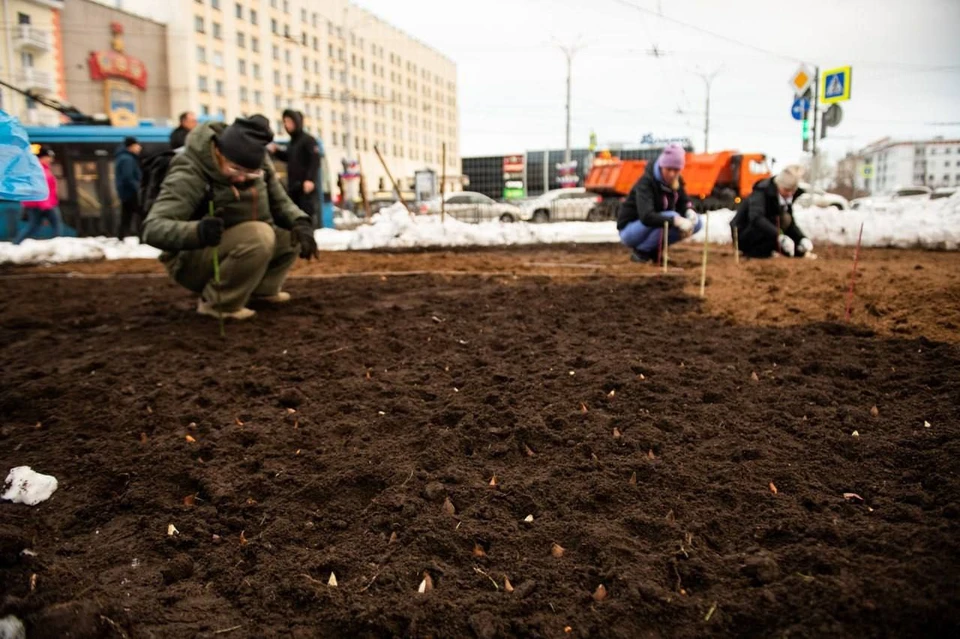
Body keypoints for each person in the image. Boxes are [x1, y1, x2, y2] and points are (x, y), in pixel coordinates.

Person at [141, 115, 319, 321]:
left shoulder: (261, 165)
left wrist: (301, 222)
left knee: (292, 233)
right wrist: (197, 231)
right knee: (259, 235)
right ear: (218, 152)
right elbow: (152, 228)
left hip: (239, 244)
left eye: (250, 174)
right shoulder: (190, 171)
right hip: (192, 258)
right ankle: (219, 303)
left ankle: (261, 292)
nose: (241, 178)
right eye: (235, 169)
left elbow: (281, 202)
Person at [617, 143, 702, 263]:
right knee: (671, 216)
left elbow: (684, 201)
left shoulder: (677, 181)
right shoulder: (646, 183)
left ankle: (654, 251)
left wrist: (689, 210)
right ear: (662, 166)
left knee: (697, 223)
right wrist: (676, 221)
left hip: (657, 224)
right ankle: (642, 252)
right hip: (630, 231)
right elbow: (647, 217)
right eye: (668, 169)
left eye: (676, 170)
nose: (672, 174)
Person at [731, 165, 816, 259]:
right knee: (772, 223)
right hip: (745, 235)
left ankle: (796, 251)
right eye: (786, 190)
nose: (789, 194)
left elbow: (790, 222)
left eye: (792, 191)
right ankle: (758, 252)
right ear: (779, 185)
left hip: (769, 234)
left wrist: (801, 238)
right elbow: (756, 218)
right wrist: (779, 236)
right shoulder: (761, 192)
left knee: (785, 219)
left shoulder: (785, 198)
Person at [270, 109, 320, 227]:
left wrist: (310, 180)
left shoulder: (308, 140)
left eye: (289, 122)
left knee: (306, 219)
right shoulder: (292, 143)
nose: (286, 125)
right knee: (295, 219)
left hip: (305, 189)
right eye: (284, 122)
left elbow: (315, 160)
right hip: (293, 188)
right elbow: (289, 158)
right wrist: (276, 151)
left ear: (297, 122)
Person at [14, 147, 63, 245]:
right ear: (42, 157)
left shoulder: (38, 169)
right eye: (49, 157)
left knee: (33, 226)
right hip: (44, 203)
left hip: (39, 203)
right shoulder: (39, 170)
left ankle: (16, 244)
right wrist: (45, 206)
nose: (51, 160)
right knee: (56, 225)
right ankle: (57, 247)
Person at [115, 136, 143, 239]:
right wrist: (138, 189)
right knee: (141, 215)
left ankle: (121, 237)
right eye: (137, 145)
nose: (139, 148)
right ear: (131, 147)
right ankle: (143, 237)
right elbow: (129, 177)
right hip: (131, 193)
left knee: (126, 216)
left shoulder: (122, 157)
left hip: (125, 193)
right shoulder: (128, 159)